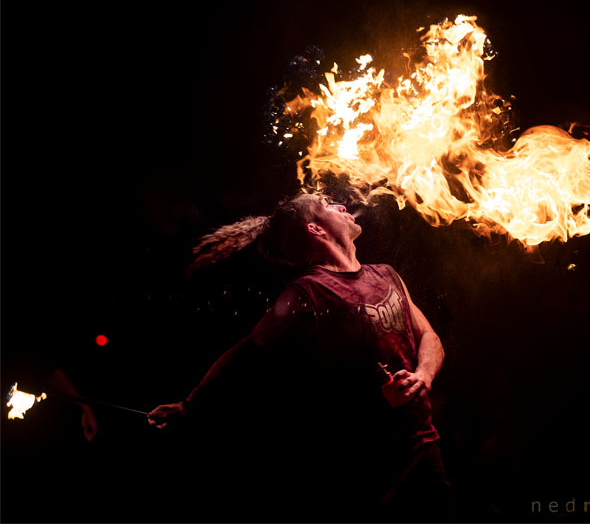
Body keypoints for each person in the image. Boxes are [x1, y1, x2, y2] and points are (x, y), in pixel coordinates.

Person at [148, 191, 454, 522]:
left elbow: (429, 337)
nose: (341, 206)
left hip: (422, 446)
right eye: (326, 205)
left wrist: (423, 375)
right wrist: (191, 406)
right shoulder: (305, 293)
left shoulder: (386, 274)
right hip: (365, 465)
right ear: (315, 229)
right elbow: (247, 352)